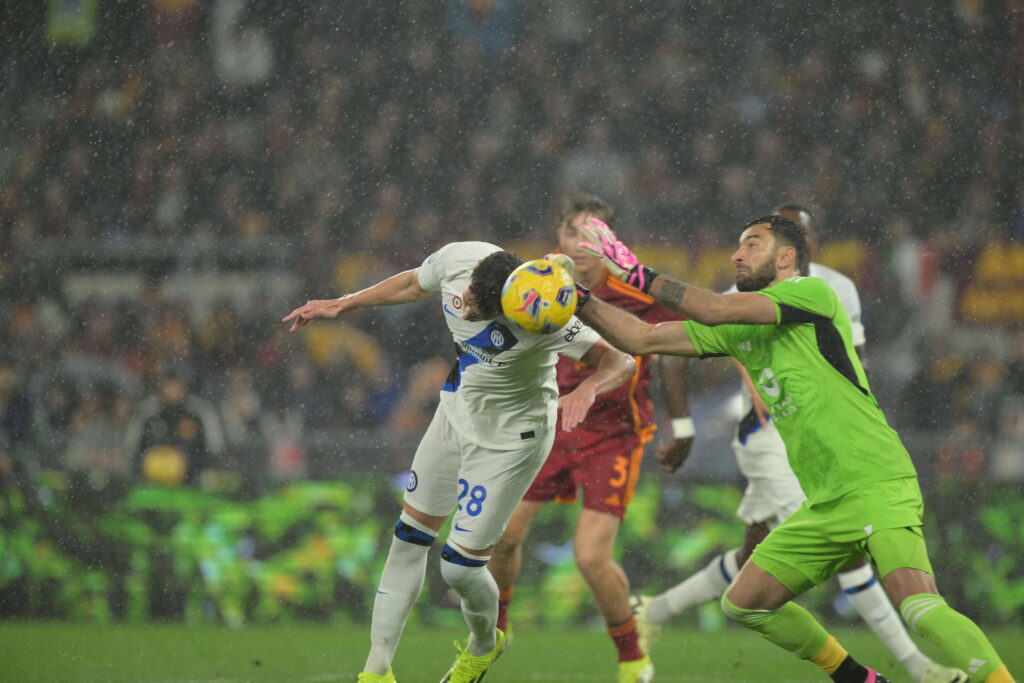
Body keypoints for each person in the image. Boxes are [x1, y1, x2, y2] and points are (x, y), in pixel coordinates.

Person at [570, 216, 1014, 683]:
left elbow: (716, 310)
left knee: (918, 606)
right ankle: (861, 679)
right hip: (823, 504)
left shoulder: (812, 294)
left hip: (876, 481)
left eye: (752, 245)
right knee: (745, 602)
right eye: (738, 246)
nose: (737, 255)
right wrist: (578, 300)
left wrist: (638, 275)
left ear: (786, 258)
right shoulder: (738, 329)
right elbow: (642, 338)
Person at [282, 241, 636, 683]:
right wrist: (346, 303)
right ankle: (376, 672)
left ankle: (486, 645)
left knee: (458, 568)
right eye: (467, 301)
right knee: (408, 538)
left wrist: (587, 389)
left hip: (512, 442)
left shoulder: (542, 318)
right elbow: (413, 282)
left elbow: (620, 359)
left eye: (479, 312)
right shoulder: (460, 260)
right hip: (455, 415)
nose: (465, 313)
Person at [487, 194, 693, 683]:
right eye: (572, 231)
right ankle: (496, 629)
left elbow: (676, 349)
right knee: (501, 538)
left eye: (593, 233)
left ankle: (632, 659)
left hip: (613, 436)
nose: (581, 243)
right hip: (548, 427)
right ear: (557, 236)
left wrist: (682, 425)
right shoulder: (533, 289)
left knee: (590, 556)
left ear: (611, 242)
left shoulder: (637, 299)